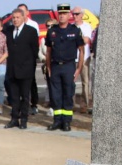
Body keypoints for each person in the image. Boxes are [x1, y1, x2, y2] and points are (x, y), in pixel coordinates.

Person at [46, 4, 84, 132]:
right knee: (56, 95)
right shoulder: (52, 31)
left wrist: (78, 69)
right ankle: (57, 121)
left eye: (64, 14)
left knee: (68, 94)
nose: (62, 16)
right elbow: (48, 51)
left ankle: (66, 122)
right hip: (56, 66)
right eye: (60, 14)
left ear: (69, 15)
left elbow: (81, 50)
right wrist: (48, 67)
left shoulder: (75, 31)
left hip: (69, 66)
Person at [4, 8, 38, 130]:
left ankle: (23, 119)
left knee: (25, 97)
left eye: (18, 17)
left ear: (23, 17)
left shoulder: (31, 31)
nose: (15, 20)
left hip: (26, 70)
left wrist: (31, 68)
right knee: (14, 97)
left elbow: (35, 51)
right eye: (13, 18)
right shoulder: (8, 30)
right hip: (12, 70)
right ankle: (14, 119)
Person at [18, 4, 40, 115]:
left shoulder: (33, 25)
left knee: (31, 81)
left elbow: (35, 44)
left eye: (23, 11)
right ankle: (21, 105)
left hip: (29, 59)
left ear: (27, 12)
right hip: (18, 60)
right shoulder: (16, 25)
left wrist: (32, 58)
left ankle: (34, 104)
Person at [72, 6, 93, 114]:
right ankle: (71, 104)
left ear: (82, 15)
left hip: (84, 58)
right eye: (73, 14)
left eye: (77, 14)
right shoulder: (71, 26)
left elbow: (86, 40)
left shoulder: (87, 26)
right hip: (72, 58)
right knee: (71, 81)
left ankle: (84, 104)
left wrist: (74, 39)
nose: (74, 16)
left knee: (85, 81)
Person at [39, 19, 57, 116]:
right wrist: (44, 59)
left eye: (51, 26)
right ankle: (52, 106)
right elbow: (40, 53)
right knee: (50, 86)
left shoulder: (58, 37)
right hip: (47, 64)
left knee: (57, 87)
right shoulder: (44, 39)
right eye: (47, 26)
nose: (49, 28)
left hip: (56, 65)